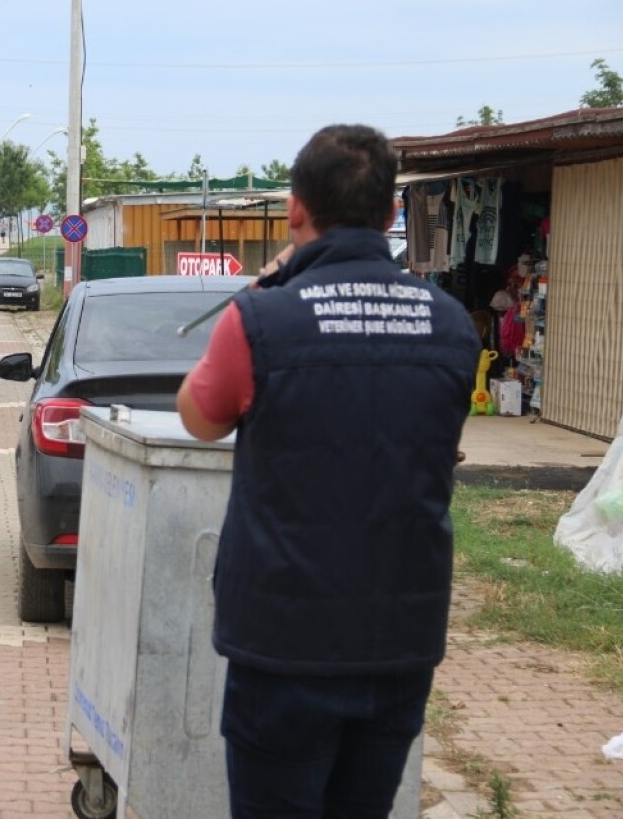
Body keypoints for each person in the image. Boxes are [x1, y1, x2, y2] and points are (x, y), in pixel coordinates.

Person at [176, 124, 479, 816]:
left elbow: (198, 417)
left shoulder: (260, 318)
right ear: (393, 214)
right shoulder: (453, 324)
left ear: (294, 210)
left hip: (283, 644)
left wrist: (269, 286)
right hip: (400, 639)